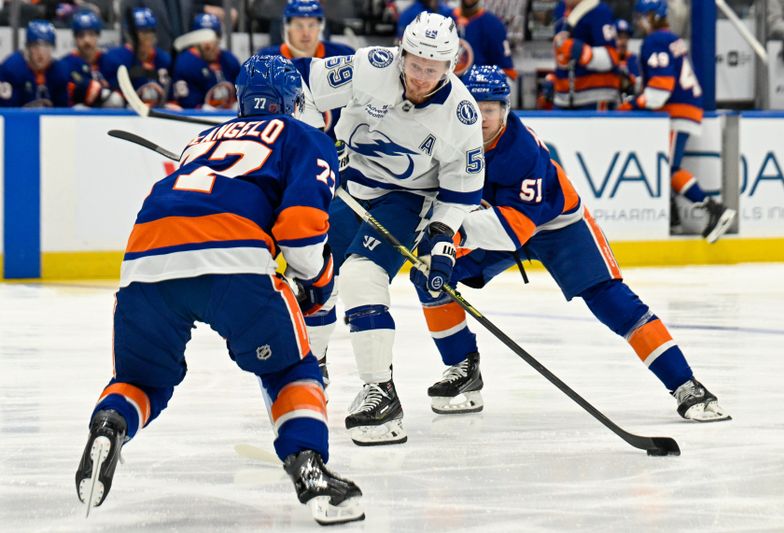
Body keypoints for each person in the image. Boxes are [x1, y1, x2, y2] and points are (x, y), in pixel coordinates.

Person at [74, 55, 364, 526]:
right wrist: (319, 279)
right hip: (233, 260)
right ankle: (309, 467)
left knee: (142, 379)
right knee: (290, 369)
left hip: (145, 259)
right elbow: (300, 232)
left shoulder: (202, 140)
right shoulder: (304, 136)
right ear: (296, 101)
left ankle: (111, 423)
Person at [410, 64, 731, 424]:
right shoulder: (446, 140)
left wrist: (448, 234)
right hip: (493, 223)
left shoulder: (521, 150)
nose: (482, 119)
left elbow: (514, 229)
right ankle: (463, 372)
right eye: (475, 108)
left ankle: (686, 385)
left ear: (505, 110)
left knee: (613, 302)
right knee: (427, 274)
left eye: (490, 109)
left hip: (558, 225)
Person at [295, 11, 484, 445]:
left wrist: (441, 236)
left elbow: (461, 191)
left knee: (361, 275)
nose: (420, 77)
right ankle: (309, 368)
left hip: (408, 198)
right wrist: (310, 135)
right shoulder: (371, 65)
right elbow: (303, 82)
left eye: (432, 69)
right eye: (415, 64)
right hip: (350, 181)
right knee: (312, 268)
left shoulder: (462, 115)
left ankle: (380, 391)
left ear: (450, 66)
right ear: (402, 53)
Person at [618, 0, 735, 243]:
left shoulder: (655, 40)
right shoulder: (670, 38)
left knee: (668, 168)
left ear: (652, 16)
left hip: (676, 112)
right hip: (685, 109)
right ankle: (674, 218)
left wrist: (632, 104)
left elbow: (660, 89)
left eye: (642, 17)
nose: (639, 22)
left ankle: (714, 209)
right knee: (667, 166)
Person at [258, 0, 355, 140]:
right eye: (299, 26)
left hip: (336, 145)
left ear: (321, 26)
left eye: (311, 25)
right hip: (286, 144)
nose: (306, 33)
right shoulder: (265, 60)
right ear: (287, 27)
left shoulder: (343, 55)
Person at [552, 0, 620, 110]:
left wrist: (580, 51)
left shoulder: (600, 11)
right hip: (563, 99)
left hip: (595, 98)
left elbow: (611, 58)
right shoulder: (560, 9)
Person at [101, 6, 172, 108]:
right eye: (142, 32)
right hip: (124, 113)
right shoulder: (114, 59)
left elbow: (169, 96)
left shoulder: (163, 59)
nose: (148, 38)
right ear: (129, 35)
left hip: (155, 111)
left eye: (151, 32)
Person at [171, 13, 240, 109]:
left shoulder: (229, 60)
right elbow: (188, 105)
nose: (210, 43)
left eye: (214, 36)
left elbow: (242, 94)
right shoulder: (185, 64)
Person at [59, 9, 124, 108]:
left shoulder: (111, 63)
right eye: (81, 35)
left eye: (91, 34)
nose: (87, 40)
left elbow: (121, 94)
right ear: (75, 38)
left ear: (98, 36)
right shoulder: (65, 65)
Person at [0, 20, 68, 107]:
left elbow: (62, 109)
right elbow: (7, 110)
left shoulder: (59, 71)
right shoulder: (11, 68)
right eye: (35, 45)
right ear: (27, 47)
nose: (40, 52)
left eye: (46, 46)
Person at [452, 0, 517, 80]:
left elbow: (507, 71)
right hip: (446, 84)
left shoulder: (494, 25)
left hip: (479, 84)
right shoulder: (445, 19)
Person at [614, 18, 639, 102]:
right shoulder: (608, 59)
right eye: (619, 37)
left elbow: (638, 85)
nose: (623, 42)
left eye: (625, 37)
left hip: (628, 101)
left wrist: (629, 78)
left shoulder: (633, 59)